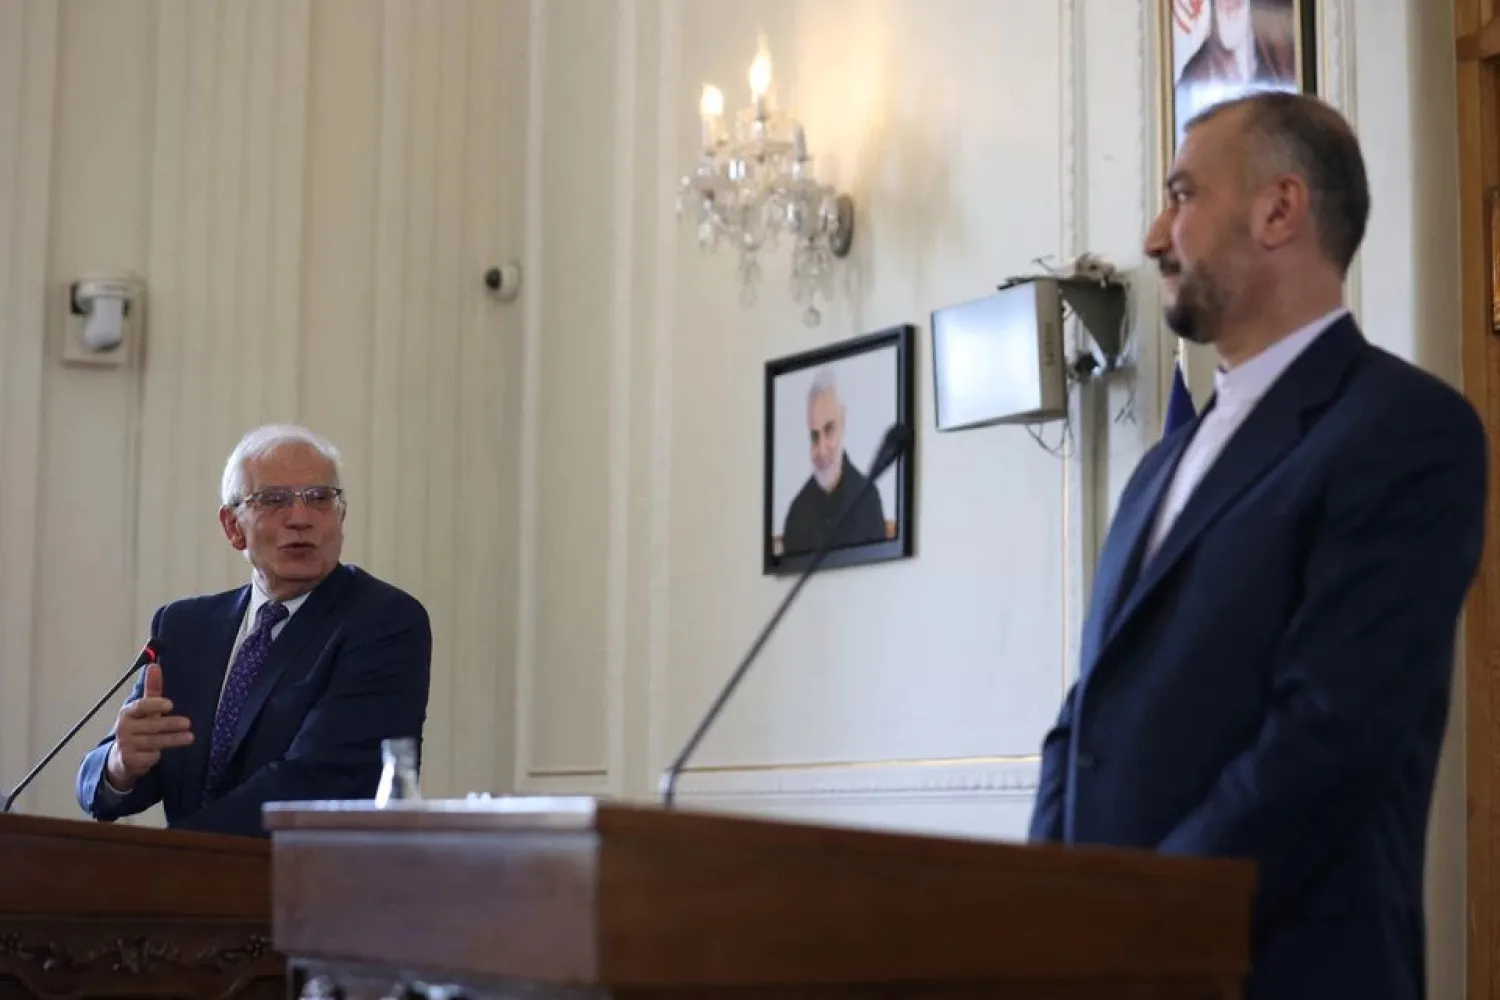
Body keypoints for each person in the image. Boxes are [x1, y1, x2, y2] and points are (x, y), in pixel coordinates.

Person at [1027, 92, 1487, 1000]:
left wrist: (1146, 924)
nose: (1157, 234)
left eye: (1182, 194)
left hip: (1274, 968)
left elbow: (1328, 737)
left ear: (1280, 210)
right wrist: (1048, 911)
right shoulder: (1162, 466)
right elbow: (1085, 718)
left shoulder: (1405, 430)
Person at [75, 424, 432, 838]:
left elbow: (320, 779)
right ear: (232, 527)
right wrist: (122, 764)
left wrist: (173, 855)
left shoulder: (382, 619)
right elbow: (107, 784)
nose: (300, 518)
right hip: (185, 889)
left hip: (309, 887)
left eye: (319, 499)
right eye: (273, 500)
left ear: (341, 516)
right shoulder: (186, 628)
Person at [781, 366, 887, 553]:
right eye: (814, 436)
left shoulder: (868, 500)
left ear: (843, 422)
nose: (822, 449)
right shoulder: (797, 512)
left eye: (829, 430)